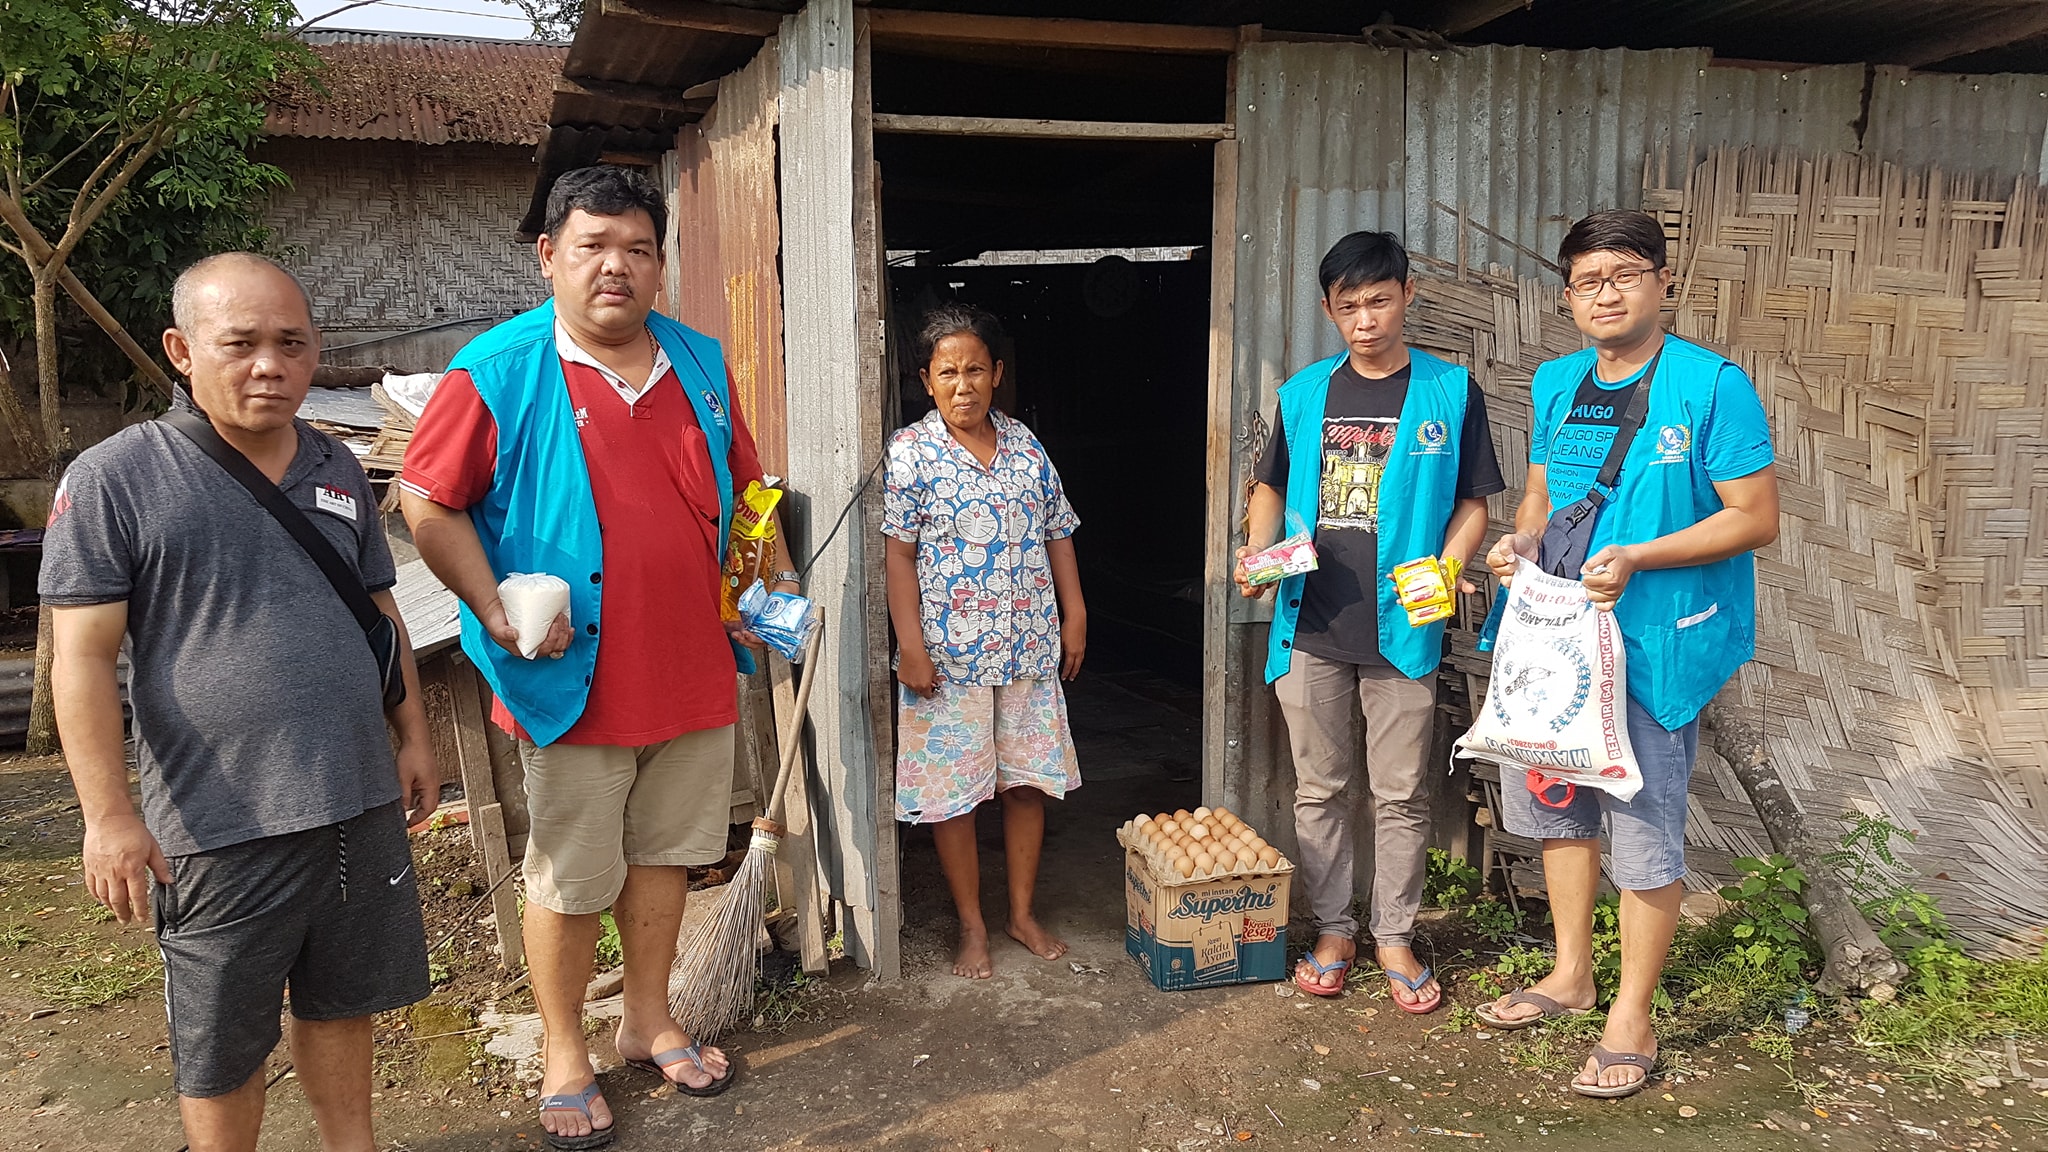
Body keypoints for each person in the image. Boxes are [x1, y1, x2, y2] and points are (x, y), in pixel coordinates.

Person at [400, 165, 789, 1148]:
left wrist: (761, 585)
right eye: (593, 247)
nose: (616, 267)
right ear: (549, 256)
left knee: (668, 857)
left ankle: (648, 1020)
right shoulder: (497, 370)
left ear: (659, 264)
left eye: (637, 249)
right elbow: (428, 501)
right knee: (570, 878)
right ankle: (565, 1051)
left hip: (692, 668)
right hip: (569, 681)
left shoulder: (698, 362)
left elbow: (748, 491)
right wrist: (493, 609)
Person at [44, 253, 437, 1152]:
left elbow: (381, 616)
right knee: (223, 1040)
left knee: (344, 1002)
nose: (270, 365)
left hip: (356, 800)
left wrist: (412, 736)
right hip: (217, 823)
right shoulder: (115, 478)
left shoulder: (338, 466)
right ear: (182, 350)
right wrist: (108, 817)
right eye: (242, 344)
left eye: (291, 344)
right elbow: (82, 659)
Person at [1476, 209, 1779, 1098]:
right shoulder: (1557, 381)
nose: (1604, 295)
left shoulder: (1711, 386)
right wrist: (1519, 543)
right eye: (1586, 281)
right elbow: (1542, 498)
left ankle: (1632, 1015)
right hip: (1555, 644)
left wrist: (1640, 556)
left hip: (1650, 643)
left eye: (1623, 275)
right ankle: (1571, 974)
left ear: (1662, 282)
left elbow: (1755, 517)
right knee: (1558, 807)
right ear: (1569, 296)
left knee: (1643, 828)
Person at [1235, 231, 1504, 1010]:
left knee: (1401, 793)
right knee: (1319, 789)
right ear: (1328, 309)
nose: (1365, 319)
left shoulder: (1451, 392)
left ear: (1407, 295)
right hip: (1310, 623)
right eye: (1348, 305)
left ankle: (1393, 934)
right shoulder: (1302, 394)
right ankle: (1333, 929)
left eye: (1379, 301)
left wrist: (1448, 567)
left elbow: (1473, 502)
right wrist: (1258, 553)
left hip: (1404, 626)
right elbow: (1269, 485)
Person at [884, 304, 1086, 980]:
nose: (963, 385)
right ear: (926, 381)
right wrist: (911, 646)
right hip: (949, 661)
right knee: (956, 795)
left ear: (996, 373)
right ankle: (972, 924)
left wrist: (1076, 614)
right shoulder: (910, 453)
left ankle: (1021, 914)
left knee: (1026, 785)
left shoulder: (1026, 445)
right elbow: (899, 557)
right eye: (947, 373)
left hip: (1028, 646)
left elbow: (1058, 533)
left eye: (975, 370)